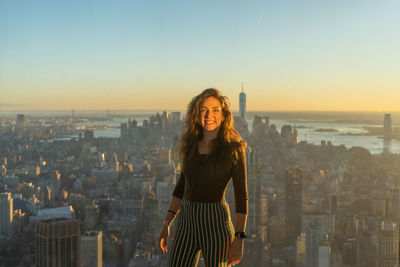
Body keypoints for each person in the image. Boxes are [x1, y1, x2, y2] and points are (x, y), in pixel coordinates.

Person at [157, 88, 248, 267]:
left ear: (223, 115)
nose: (209, 115)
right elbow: (182, 185)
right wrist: (166, 224)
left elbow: (241, 196)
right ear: (197, 115)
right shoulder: (190, 145)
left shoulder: (234, 149)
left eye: (215, 110)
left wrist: (239, 238)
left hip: (216, 222)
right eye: (204, 110)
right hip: (186, 221)